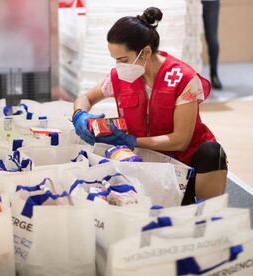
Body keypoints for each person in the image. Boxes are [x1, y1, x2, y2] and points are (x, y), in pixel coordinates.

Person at [72, 7, 227, 205]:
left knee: (211, 152)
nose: (118, 66)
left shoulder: (183, 79)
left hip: (184, 163)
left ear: (145, 52)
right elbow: (86, 98)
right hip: (145, 164)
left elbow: (180, 140)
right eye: (115, 60)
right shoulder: (120, 77)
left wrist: (132, 140)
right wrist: (79, 115)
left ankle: (208, 214)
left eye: (123, 59)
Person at [202, 0, 222, 89]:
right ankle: (188, 78)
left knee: (212, 37)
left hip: (210, 2)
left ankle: (214, 74)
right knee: (190, 37)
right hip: (189, 3)